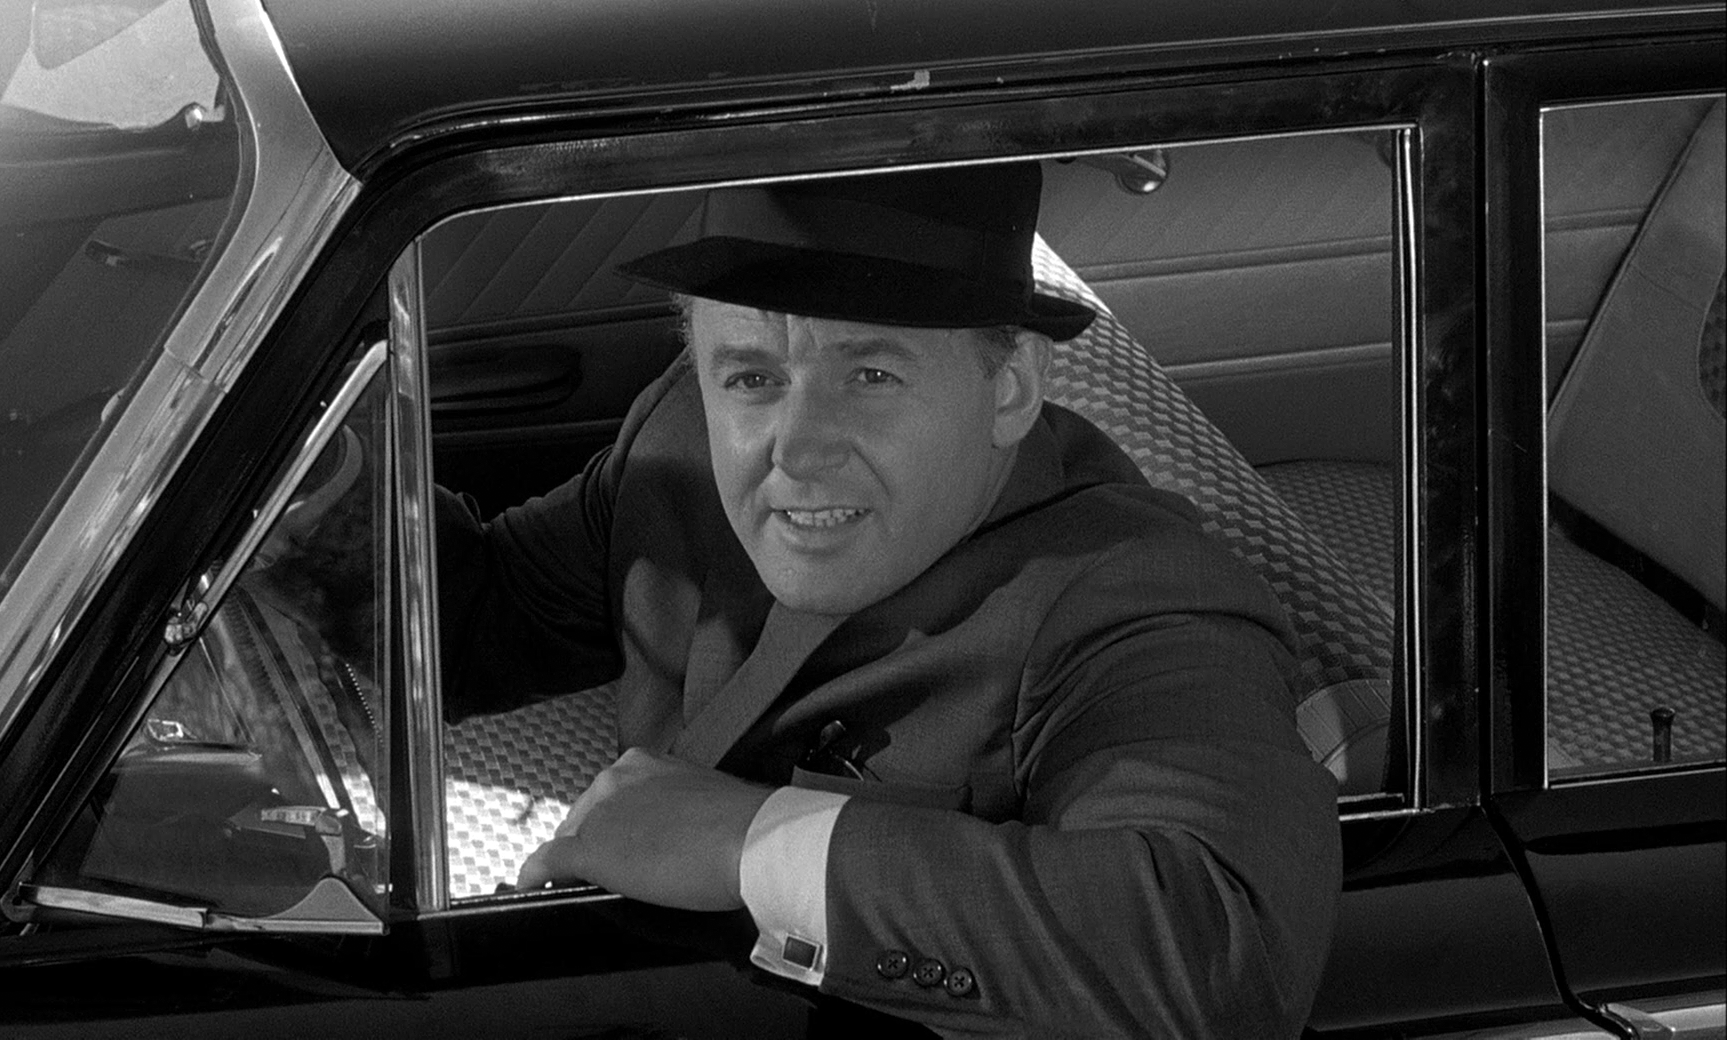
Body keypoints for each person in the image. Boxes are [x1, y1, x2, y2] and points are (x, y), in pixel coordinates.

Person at [434, 163, 1341, 1036]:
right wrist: (356, 490)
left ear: (1011, 388)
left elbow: (1222, 961)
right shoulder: (679, 442)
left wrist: (754, 844)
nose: (796, 448)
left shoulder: (1135, 598)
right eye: (752, 377)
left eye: (870, 376)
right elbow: (472, 625)